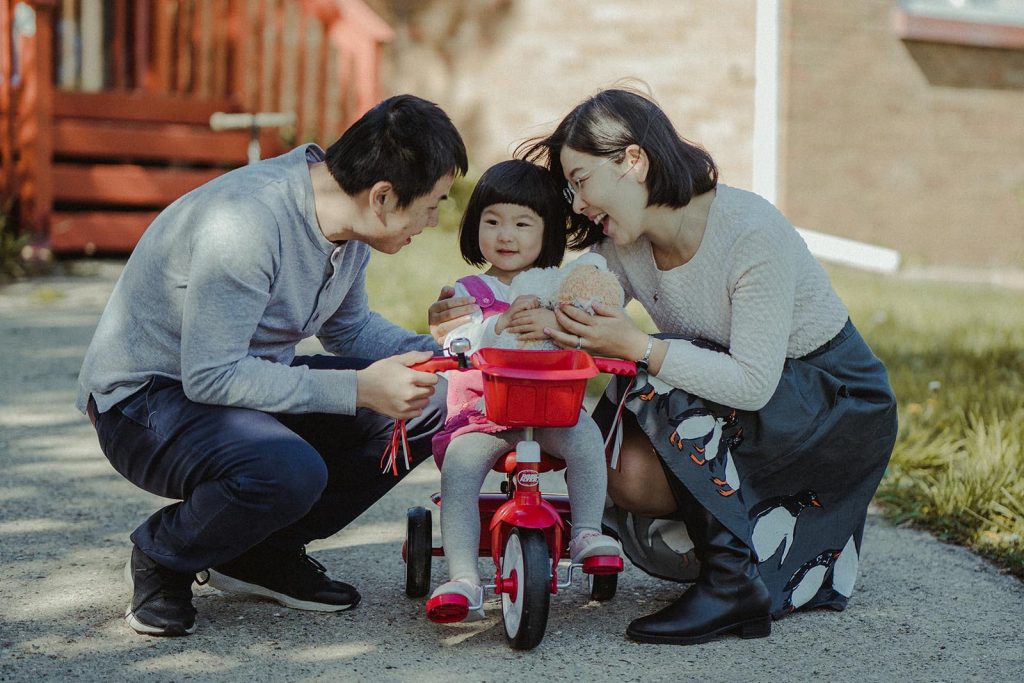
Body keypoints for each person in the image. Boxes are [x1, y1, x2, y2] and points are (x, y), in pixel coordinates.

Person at [503, 88, 897, 645]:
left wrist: (638, 347)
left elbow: (752, 383)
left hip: (831, 403)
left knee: (652, 368)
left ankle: (732, 583)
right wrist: (518, 312)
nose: (576, 203)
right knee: (617, 461)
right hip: (754, 404)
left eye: (582, 180)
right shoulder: (627, 241)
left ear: (633, 161)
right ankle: (711, 541)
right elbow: (578, 300)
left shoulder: (749, 231)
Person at [77, 94, 468, 637]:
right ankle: (164, 555)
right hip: (145, 403)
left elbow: (349, 328)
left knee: (434, 400)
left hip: (233, 392)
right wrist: (357, 389)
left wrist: (456, 354)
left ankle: (256, 552)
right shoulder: (248, 226)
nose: (434, 219)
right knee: (287, 471)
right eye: (433, 203)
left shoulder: (345, 224)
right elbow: (210, 375)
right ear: (382, 197)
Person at [425, 160, 621, 622]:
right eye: (492, 222)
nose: (505, 236)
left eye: (521, 223)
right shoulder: (469, 290)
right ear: (474, 227)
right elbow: (456, 339)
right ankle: (462, 577)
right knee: (460, 466)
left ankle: (587, 533)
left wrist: (572, 332)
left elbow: (586, 334)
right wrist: (492, 326)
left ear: (547, 231)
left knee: (588, 440)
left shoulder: (560, 289)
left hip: (552, 411)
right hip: (486, 413)